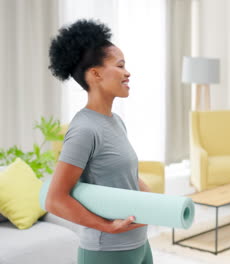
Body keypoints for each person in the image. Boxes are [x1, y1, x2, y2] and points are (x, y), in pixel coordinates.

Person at [46, 19, 153, 264]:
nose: (128, 72)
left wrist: (157, 204)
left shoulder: (116, 121)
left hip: (139, 243)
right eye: (120, 65)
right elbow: (55, 199)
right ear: (95, 74)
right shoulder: (84, 129)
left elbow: (124, 176)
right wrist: (106, 226)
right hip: (107, 252)